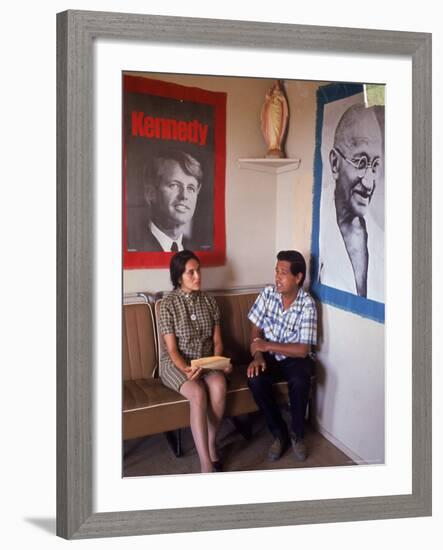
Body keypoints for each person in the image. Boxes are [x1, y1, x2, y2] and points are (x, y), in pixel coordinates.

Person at [159, 250, 232, 473]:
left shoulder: (209, 301)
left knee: (219, 385)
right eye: (191, 272)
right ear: (179, 277)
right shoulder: (167, 304)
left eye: (198, 270)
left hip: (206, 360)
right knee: (198, 393)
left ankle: (210, 442)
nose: (197, 276)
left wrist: (219, 361)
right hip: (177, 364)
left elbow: (217, 341)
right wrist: (188, 369)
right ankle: (206, 464)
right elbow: (172, 350)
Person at [247, 250, 317, 462]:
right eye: (276, 271)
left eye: (283, 273)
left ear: (298, 277)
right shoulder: (268, 294)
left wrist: (267, 345)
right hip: (267, 355)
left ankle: (297, 434)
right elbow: (255, 332)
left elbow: (303, 349)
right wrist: (258, 355)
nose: (277, 277)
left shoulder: (307, 303)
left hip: (293, 356)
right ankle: (279, 433)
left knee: (300, 378)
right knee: (255, 378)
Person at [319, 104, 384, 302]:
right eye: (361, 162)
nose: (368, 181)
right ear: (334, 164)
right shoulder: (321, 238)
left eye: (374, 165)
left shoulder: (382, 240)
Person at [130, 150, 203, 252]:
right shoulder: (132, 246)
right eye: (174, 185)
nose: (184, 196)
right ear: (151, 193)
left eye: (191, 188)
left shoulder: (197, 250)